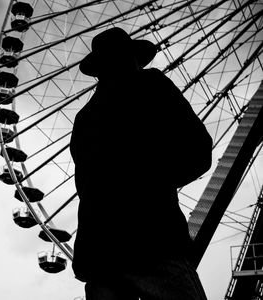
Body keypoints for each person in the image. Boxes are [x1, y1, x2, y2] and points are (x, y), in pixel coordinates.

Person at [70, 27, 212, 300]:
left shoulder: (84, 118)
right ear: (132, 58)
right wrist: (155, 183)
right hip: (152, 238)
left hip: (97, 252)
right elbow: (199, 149)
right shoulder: (150, 84)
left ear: (98, 70)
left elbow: (85, 185)